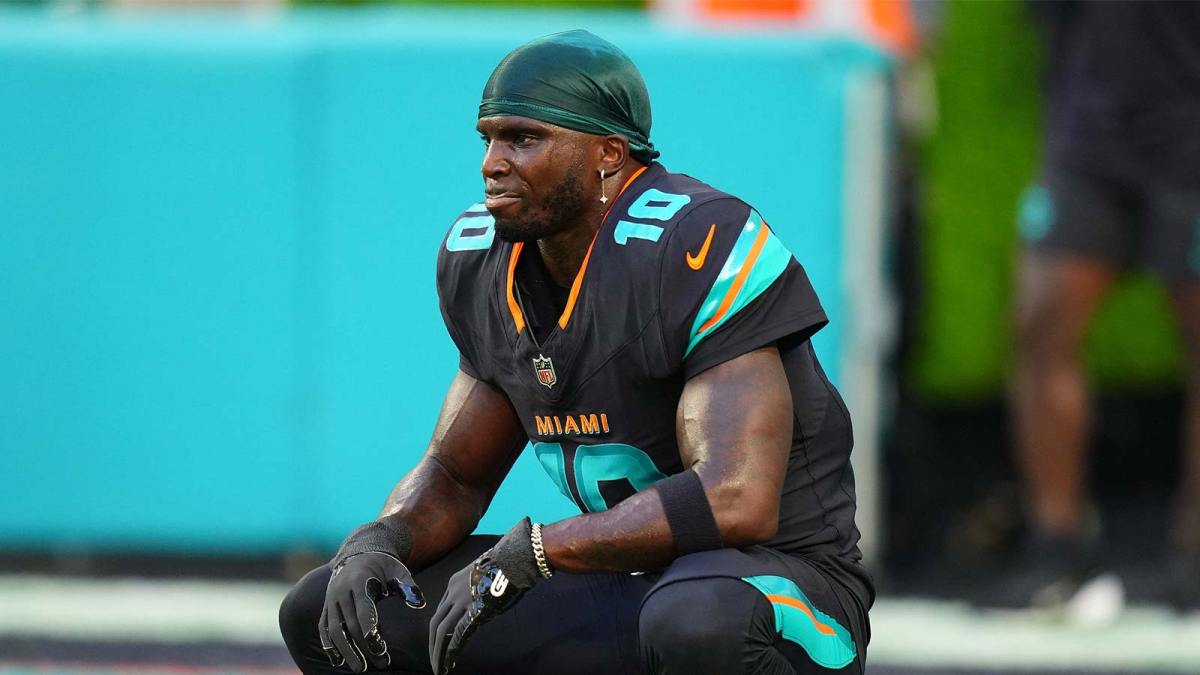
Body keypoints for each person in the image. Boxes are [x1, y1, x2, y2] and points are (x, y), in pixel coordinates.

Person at [278, 29, 873, 674]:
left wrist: (541, 550)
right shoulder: (483, 261)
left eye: (523, 139)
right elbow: (456, 476)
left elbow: (735, 498)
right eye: (489, 139)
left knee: (694, 620)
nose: (492, 163)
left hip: (779, 589)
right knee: (333, 611)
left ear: (608, 154)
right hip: (630, 584)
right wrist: (379, 539)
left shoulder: (695, 242)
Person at [1008, 1, 1200, 608]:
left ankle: (1194, 556)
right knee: (1041, 325)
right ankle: (1057, 548)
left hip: (1190, 135)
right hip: (1088, 135)